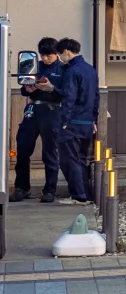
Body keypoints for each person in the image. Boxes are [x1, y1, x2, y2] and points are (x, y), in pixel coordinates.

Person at [38, 38, 98, 206]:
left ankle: (78, 195)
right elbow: (96, 97)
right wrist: (93, 119)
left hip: (72, 122)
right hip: (87, 122)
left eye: (60, 54)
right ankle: (85, 195)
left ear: (66, 52)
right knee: (81, 160)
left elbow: (68, 98)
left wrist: (64, 121)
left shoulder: (72, 71)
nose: (60, 58)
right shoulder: (90, 69)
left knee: (69, 160)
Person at [10, 38, 63, 202]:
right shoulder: (34, 65)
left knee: (50, 152)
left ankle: (50, 190)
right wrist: (28, 89)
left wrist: (51, 88)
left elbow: (67, 94)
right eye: (43, 55)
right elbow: (23, 90)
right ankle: (22, 188)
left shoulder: (64, 69)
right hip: (33, 109)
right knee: (23, 148)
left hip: (53, 111)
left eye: (49, 55)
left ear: (56, 53)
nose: (46, 58)